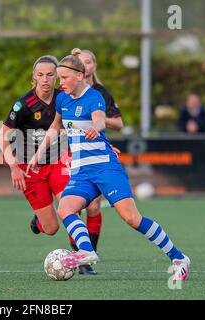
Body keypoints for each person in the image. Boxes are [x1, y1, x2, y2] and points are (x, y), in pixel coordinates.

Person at [27, 50, 191, 281]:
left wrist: (97, 126)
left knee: (132, 219)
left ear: (80, 76)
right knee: (65, 209)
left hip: (105, 168)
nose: (60, 83)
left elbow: (99, 118)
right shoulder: (62, 99)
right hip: (81, 172)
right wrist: (38, 154)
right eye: (59, 78)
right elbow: (55, 127)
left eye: (64, 78)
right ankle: (87, 252)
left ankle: (179, 258)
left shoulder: (94, 96)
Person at [64, 49, 124, 275]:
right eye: (81, 62)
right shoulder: (66, 90)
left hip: (95, 153)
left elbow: (119, 124)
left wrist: (97, 119)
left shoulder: (100, 93)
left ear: (94, 67)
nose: (85, 65)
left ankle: (87, 258)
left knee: (94, 206)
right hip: (71, 152)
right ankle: (43, 220)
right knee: (70, 206)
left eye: (88, 62)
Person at [0, 55, 66, 244]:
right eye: (41, 75)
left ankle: (81, 258)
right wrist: (13, 167)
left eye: (50, 75)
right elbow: (2, 136)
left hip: (57, 162)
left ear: (57, 76)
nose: (45, 79)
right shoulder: (23, 104)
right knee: (51, 228)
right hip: (30, 167)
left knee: (72, 208)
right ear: (34, 76)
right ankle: (39, 221)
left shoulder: (64, 98)